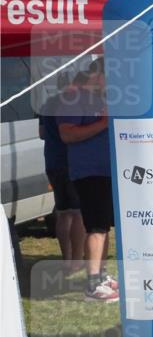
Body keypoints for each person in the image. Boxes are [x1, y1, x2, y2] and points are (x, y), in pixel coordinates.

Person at [58, 69, 117, 302]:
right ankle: (93, 284)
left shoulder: (101, 98)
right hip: (89, 172)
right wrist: (104, 123)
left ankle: (100, 275)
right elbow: (67, 135)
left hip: (106, 171)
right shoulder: (73, 99)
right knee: (96, 227)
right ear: (96, 75)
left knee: (103, 226)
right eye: (107, 75)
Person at [38, 74, 85, 274]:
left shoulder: (47, 103)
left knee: (63, 212)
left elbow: (41, 133)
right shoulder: (76, 103)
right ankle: (77, 260)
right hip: (72, 162)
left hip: (52, 161)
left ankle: (66, 259)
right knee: (78, 213)